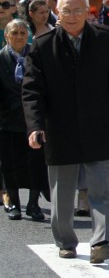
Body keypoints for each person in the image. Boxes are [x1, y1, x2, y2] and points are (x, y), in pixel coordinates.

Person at [22, 0, 109, 263]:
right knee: (62, 193)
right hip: (59, 130)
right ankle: (66, 241)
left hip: (99, 127)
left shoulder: (106, 40)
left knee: (99, 191)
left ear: (88, 12)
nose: (71, 16)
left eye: (77, 10)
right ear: (56, 14)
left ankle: (100, 241)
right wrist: (35, 126)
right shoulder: (42, 45)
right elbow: (32, 91)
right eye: (65, 11)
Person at [0, 19, 49, 221]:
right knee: (9, 163)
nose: (19, 37)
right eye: (14, 33)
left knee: (35, 162)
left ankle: (33, 204)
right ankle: (13, 202)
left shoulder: (36, 55)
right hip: (6, 120)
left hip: (33, 120)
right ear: (6, 36)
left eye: (22, 32)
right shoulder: (1, 58)